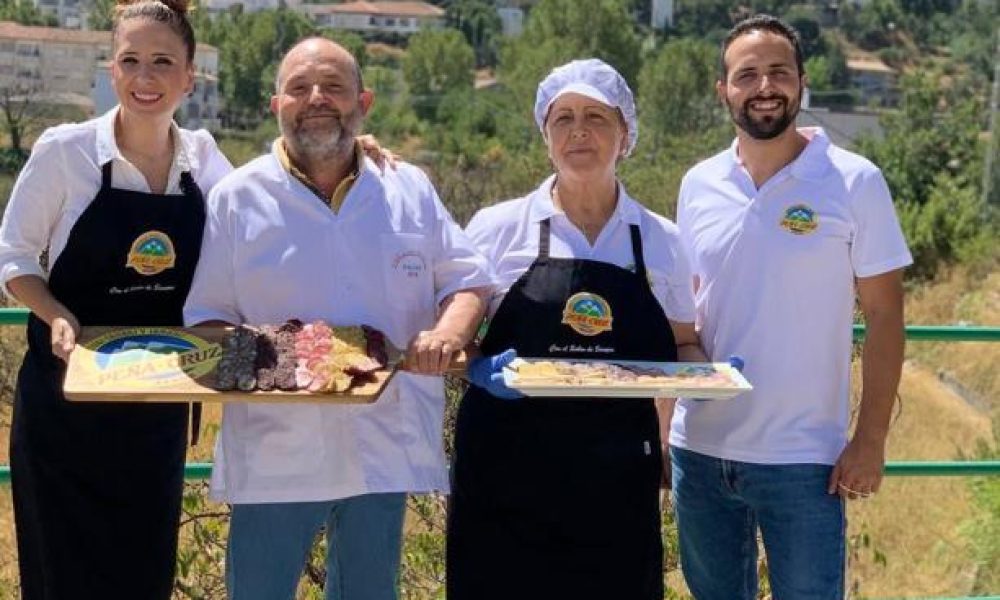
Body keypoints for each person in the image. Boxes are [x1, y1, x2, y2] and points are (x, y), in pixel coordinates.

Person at [182, 36, 493, 600]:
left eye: (334, 87)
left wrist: (448, 332)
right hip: (277, 454)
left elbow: (467, 277)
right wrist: (296, 357)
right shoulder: (236, 197)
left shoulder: (409, 187)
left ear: (364, 103)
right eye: (299, 88)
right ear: (276, 105)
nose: (317, 98)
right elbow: (206, 322)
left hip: (381, 442)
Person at [669, 15, 912, 599]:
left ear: (802, 81)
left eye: (778, 71)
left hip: (803, 459)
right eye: (746, 74)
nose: (764, 86)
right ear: (723, 90)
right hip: (698, 452)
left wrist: (870, 439)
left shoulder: (854, 182)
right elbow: (685, 320)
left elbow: (885, 316)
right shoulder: (698, 184)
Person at [448, 58, 705, 600]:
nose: (578, 130)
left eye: (596, 116)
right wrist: (478, 368)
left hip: (616, 477)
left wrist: (702, 376)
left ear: (625, 133)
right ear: (545, 136)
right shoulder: (496, 229)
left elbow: (683, 341)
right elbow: (456, 341)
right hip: (505, 471)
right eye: (562, 118)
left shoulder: (662, 240)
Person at [0, 0, 233, 597]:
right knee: (60, 577)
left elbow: (260, 223)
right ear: (112, 71)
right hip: (62, 407)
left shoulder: (205, 160)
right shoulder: (64, 151)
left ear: (189, 76)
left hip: (155, 414)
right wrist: (56, 314)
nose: (145, 78)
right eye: (130, 61)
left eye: (162, 62)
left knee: (142, 575)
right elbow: (15, 260)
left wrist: (354, 155)